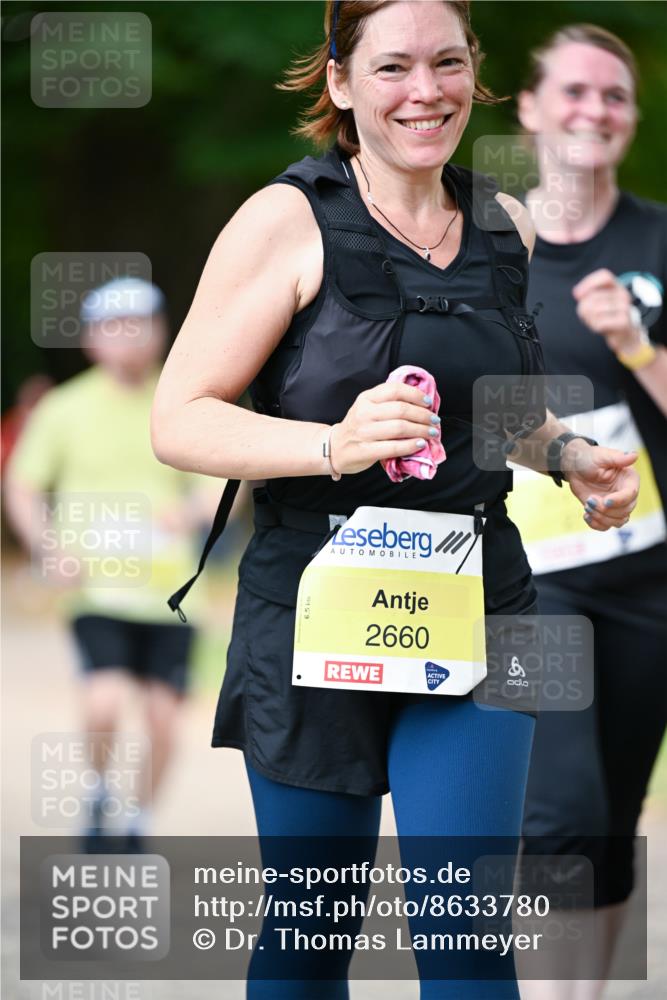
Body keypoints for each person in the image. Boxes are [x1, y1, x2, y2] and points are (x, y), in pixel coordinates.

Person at [152, 3, 640, 997]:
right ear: (338, 82)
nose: (426, 90)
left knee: (466, 941)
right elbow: (179, 417)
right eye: (392, 67)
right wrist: (329, 443)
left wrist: (568, 452)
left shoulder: (507, 224)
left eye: (447, 62)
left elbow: (491, 415)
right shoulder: (282, 219)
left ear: (475, 74)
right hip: (312, 607)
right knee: (308, 939)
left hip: (474, 604)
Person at [504, 24, 667, 999]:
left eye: (612, 95)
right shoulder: (485, 244)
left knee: (610, 814)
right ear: (527, 109)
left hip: (649, 577)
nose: (592, 110)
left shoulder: (658, 242)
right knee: (558, 806)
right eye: (572, 91)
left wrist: (640, 346)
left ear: (631, 118)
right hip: (528, 577)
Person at [5, 277, 205, 851]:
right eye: (114, 327)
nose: (129, 338)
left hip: (170, 594)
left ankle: (137, 821)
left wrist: (190, 513)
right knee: (104, 700)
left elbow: (223, 485)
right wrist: (48, 547)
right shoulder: (64, 409)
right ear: (92, 339)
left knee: (165, 720)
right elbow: (23, 486)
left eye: (140, 324)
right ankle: (97, 793)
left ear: (160, 332)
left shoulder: (183, 403)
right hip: (96, 591)